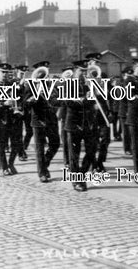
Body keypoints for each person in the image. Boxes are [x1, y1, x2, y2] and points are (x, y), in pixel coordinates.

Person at [24, 61, 60, 182]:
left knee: (55, 144)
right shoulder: (31, 86)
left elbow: (57, 100)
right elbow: (24, 104)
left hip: (51, 118)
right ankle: (42, 173)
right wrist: (33, 98)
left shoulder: (51, 85)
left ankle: (44, 164)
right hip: (38, 119)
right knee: (39, 148)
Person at [65, 60, 97, 191]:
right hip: (73, 123)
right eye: (80, 71)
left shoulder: (87, 85)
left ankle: (82, 175)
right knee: (74, 155)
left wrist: (91, 97)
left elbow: (93, 102)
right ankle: (77, 182)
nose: (83, 74)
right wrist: (84, 100)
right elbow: (68, 103)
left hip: (87, 124)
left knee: (91, 152)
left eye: (85, 71)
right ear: (74, 71)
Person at [0, 63, 23, 175]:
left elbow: (20, 100)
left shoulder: (13, 85)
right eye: (2, 72)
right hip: (0, 119)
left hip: (12, 119)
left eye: (7, 72)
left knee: (16, 144)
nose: (5, 74)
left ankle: (11, 163)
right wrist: (4, 103)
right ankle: (4, 167)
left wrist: (19, 107)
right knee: (1, 145)